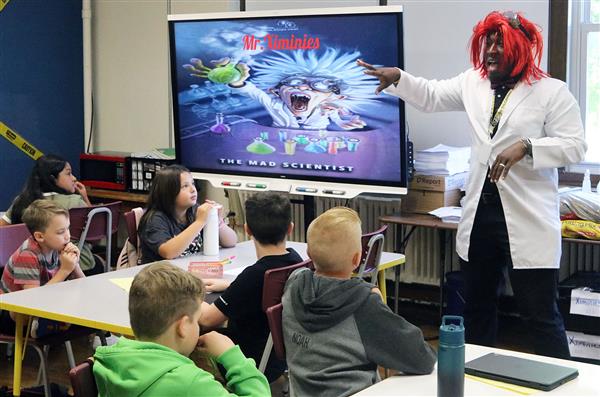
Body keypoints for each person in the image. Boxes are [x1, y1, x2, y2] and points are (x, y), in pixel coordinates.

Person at [359, 11, 587, 359]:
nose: (491, 50)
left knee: (539, 316)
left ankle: (563, 385)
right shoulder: (473, 82)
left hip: (527, 221)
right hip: (480, 214)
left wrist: (527, 147)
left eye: (500, 43)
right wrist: (398, 78)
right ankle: (478, 378)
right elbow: (432, 95)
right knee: (477, 310)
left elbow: (574, 145)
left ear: (523, 48)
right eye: (488, 42)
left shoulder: (551, 92)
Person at [282, 207, 436, 397]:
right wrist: (370, 297)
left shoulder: (293, 284)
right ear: (357, 259)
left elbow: (304, 274)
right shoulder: (364, 304)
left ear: (309, 254)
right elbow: (421, 358)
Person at [93, 261, 270, 397]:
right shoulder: (190, 383)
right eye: (196, 320)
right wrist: (232, 355)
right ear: (183, 326)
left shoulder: (108, 361)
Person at [199, 192, 302, 383]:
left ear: (247, 230)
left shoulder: (254, 275)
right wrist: (232, 286)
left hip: (248, 360)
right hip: (283, 358)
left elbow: (207, 319)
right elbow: (263, 289)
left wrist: (191, 294)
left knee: (192, 332)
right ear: (290, 228)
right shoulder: (296, 262)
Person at [0, 154, 103, 275]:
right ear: (53, 178)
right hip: (74, 265)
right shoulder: (75, 201)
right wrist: (85, 198)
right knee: (99, 262)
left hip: (28, 267)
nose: (74, 178)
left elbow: (3, 230)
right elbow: (95, 239)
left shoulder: (21, 200)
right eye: (68, 173)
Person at [0, 199, 85, 336]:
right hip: (10, 315)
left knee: (78, 297)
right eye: (60, 232)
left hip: (42, 301)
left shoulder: (56, 246)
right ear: (40, 236)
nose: (67, 236)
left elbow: (84, 286)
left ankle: (50, 322)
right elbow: (33, 299)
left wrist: (75, 266)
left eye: (68, 228)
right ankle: (44, 324)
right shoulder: (27, 254)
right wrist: (64, 270)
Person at [138, 164, 237, 264]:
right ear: (168, 192)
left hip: (188, 272)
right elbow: (168, 252)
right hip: (161, 275)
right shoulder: (155, 219)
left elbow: (231, 242)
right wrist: (199, 222)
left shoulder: (193, 210)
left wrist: (218, 221)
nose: (193, 189)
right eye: (185, 186)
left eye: (192, 184)